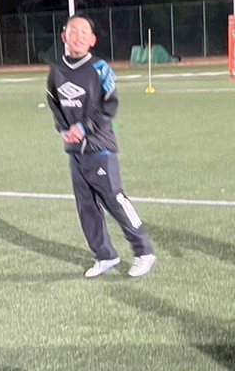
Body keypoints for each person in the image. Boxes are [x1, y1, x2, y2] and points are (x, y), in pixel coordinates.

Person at [46, 15, 155, 279]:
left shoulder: (100, 68)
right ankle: (105, 255)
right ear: (64, 37)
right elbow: (54, 104)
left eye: (84, 32)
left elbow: (110, 105)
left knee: (115, 199)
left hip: (100, 148)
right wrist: (64, 130)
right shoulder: (56, 71)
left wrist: (84, 128)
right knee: (86, 207)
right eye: (73, 31)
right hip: (75, 151)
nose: (78, 37)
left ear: (92, 40)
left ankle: (143, 251)